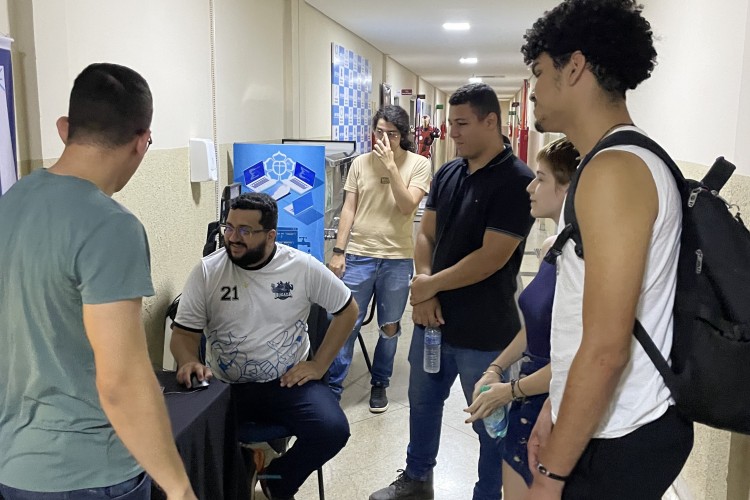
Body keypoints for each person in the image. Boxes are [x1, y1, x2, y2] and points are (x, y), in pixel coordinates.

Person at [520, 1, 694, 499]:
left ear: (574, 67)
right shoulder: (614, 160)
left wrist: (550, 476)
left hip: (618, 435)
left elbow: (605, 349)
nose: (532, 90)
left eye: (539, 72)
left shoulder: (614, 171)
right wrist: (556, 404)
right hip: (606, 424)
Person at [0, 64, 196, 499]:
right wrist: (179, 487)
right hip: (89, 470)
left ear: (63, 128)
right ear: (142, 142)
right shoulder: (110, 226)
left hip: (13, 464)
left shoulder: (11, 202)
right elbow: (121, 381)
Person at [370, 82, 535, 500]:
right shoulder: (448, 172)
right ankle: (417, 479)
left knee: (489, 422)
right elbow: (426, 234)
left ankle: (487, 493)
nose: (452, 132)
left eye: (462, 124)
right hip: (433, 324)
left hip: (485, 331)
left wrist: (429, 285)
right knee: (422, 405)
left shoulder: (517, 181)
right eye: (452, 123)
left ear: (491, 122)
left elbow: (492, 257)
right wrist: (425, 290)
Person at [170, 192, 358, 500]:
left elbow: (348, 310)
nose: (233, 238)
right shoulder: (208, 271)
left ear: (270, 235)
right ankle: (241, 468)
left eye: (245, 230)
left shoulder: (300, 267)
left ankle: (275, 481)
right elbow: (183, 335)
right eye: (229, 227)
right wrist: (189, 360)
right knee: (186, 434)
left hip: (286, 382)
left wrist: (318, 365)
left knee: (332, 430)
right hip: (225, 386)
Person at [464, 138, 579, 499]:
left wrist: (509, 391)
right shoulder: (552, 249)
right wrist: (496, 368)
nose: (530, 187)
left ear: (568, 189)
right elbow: (536, 329)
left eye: (541, 178)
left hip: (555, 401)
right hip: (529, 393)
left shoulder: (583, 261)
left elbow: (574, 359)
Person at [328, 105, 431, 412]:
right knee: (346, 323)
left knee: (389, 326)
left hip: (397, 258)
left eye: (392, 134)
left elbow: (407, 205)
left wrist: (390, 167)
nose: (384, 139)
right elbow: (348, 208)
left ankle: (380, 382)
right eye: (379, 132)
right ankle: (333, 387)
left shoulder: (419, 164)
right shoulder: (360, 163)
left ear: (403, 135)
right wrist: (339, 251)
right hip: (359, 255)